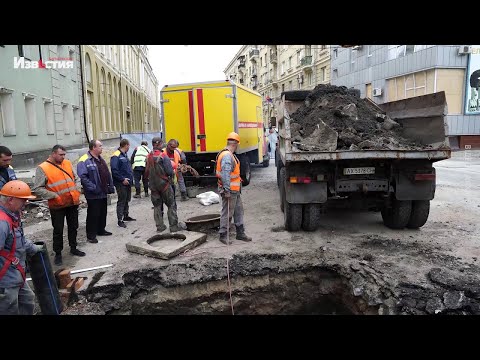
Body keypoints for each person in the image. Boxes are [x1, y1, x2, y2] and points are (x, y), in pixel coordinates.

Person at [32, 145, 85, 266]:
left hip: (72, 202)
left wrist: (76, 189)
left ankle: (73, 248)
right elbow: (37, 189)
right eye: (61, 155)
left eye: (64, 154)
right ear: (53, 154)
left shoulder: (67, 163)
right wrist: (54, 195)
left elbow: (76, 178)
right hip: (57, 205)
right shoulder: (42, 168)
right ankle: (58, 254)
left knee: (73, 226)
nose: (63, 157)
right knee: (58, 230)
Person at [0, 180, 43, 315]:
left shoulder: (12, 215)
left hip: (15, 274)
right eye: (23, 200)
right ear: (11, 200)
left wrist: (32, 248)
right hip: (5, 279)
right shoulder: (2, 223)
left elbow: (18, 239)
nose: (26, 203)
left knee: (27, 300)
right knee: (9, 309)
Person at [216, 132, 252, 245]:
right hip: (230, 190)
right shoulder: (227, 156)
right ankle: (223, 235)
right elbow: (226, 174)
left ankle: (240, 233)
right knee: (227, 213)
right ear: (235, 144)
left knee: (238, 211)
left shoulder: (228, 154)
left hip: (235, 191)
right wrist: (227, 190)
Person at [77, 139, 115, 244]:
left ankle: (101, 230)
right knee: (93, 214)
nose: (102, 148)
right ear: (94, 147)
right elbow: (83, 177)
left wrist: (110, 186)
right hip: (93, 193)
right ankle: (91, 235)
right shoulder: (84, 160)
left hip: (103, 191)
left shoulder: (100, 159)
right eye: (100, 146)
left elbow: (107, 174)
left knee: (103, 212)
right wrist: (93, 187)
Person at [145, 137, 184, 233]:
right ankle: (173, 227)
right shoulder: (163, 156)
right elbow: (170, 172)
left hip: (153, 186)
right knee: (171, 205)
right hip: (164, 185)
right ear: (159, 144)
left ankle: (160, 226)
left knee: (157, 206)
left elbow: (146, 172)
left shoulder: (148, 156)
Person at [111, 139, 135, 228]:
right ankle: (120, 220)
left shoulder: (124, 155)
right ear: (126, 145)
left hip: (127, 181)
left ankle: (126, 216)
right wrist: (122, 179)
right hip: (121, 183)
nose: (129, 147)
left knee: (126, 199)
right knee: (121, 200)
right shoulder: (116, 155)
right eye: (129, 145)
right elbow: (114, 170)